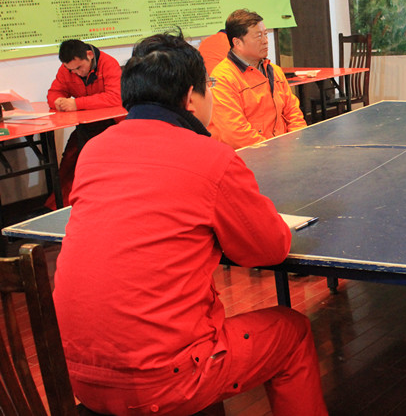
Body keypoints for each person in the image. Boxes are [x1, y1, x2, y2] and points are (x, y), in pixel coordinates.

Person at [53, 31, 328, 416]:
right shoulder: (211, 157)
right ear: (190, 99)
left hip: (80, 377)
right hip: (165, 380)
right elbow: (269, 248)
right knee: (291, 331)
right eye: (208, 86)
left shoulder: (93, 152)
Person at [208, 9, 306, 149]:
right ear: (237, 42)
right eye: (258, 36)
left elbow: (293, 112)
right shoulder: (223, 79)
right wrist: (272, 151)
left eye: (265, 34)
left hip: (283, 151)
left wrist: (297, 140)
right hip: (252, 155)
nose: (265, 41)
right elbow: (234, 133)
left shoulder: (274, 71)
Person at [44, 39, 121, 209]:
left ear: (89, 55)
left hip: (112, 126)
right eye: (71, 70)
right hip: (86, 126)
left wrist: (76, 103)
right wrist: (58, 102)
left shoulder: (109, 64)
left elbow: (115, 97)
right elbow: (54, 92)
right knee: (70, 160)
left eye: (79, 68)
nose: (77, 73)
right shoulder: (67, 69)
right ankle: (62, 206)